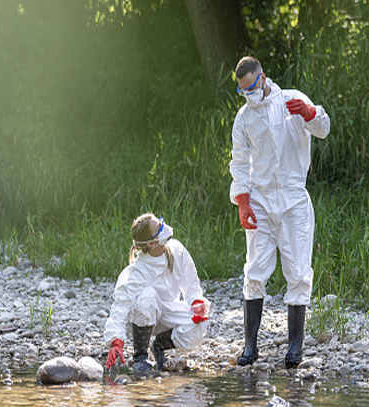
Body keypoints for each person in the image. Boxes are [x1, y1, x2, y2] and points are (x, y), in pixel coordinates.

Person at [229, 56, 330, 368]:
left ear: (262, 78)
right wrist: (242, 201)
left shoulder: (292, 100)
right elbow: (239, 162)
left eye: (251, 88)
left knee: (298, 272)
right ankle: (250, 346)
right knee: (255, 270)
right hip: (260, 199)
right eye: (243, 91)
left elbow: (323, 128)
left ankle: (295, 347)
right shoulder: (244, 118)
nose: (248, 94)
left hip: (293, 199)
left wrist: (310, 113)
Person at [104, 213, 210, 376]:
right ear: (152, 243)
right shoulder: (139, 271)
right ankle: (140, 356)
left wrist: (196, 303)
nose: (163, 225)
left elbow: (191, 283)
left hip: (166, 311)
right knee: (148, 296)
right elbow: (121, 305)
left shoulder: (177, 250)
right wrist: (116, 342)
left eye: (160, 221)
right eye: (159, 226)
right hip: (141, 317)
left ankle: (159, 346)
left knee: (198, 325)